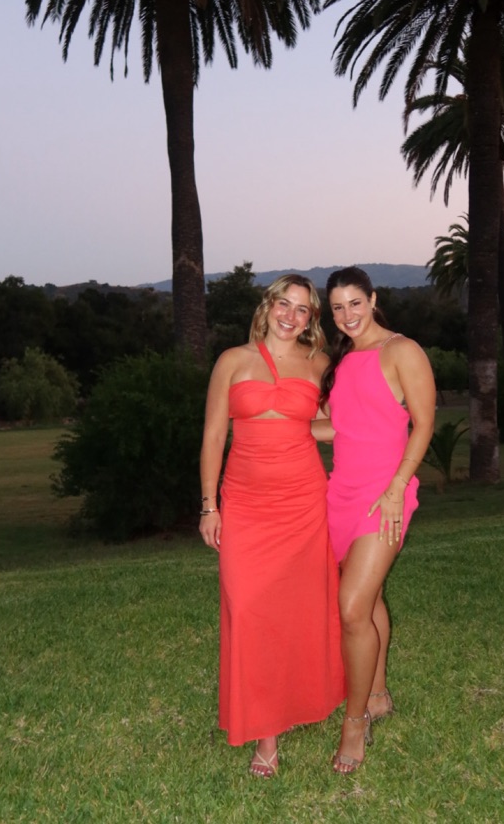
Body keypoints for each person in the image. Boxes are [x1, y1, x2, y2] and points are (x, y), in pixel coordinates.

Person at [199, 274, 345, 778]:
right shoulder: (232, 361)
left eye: (302, 309)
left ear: (311, 320)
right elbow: (213, 435)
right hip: (244, 503)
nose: (291, 315)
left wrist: (303, 427)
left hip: (303, 501)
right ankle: (264, 726)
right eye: (284, 303)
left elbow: (337, 423)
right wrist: (209, 506)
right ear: (268, 306)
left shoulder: (320, 364)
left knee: (298, 610)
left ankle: (279, 725)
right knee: (248, 607)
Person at [314, 266, 436, 774]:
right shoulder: (342, 361)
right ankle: (379, 693)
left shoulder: (402, 350)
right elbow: (337, 427)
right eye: (337, 308)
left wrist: (395, 489)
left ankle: (355, 719)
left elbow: (424, 424)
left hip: (385, 495)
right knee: (370, 598)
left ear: (373, 299)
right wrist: (276, 424)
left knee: (350, 608)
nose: (347, 315)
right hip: (340, 493)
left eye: (355, 303)